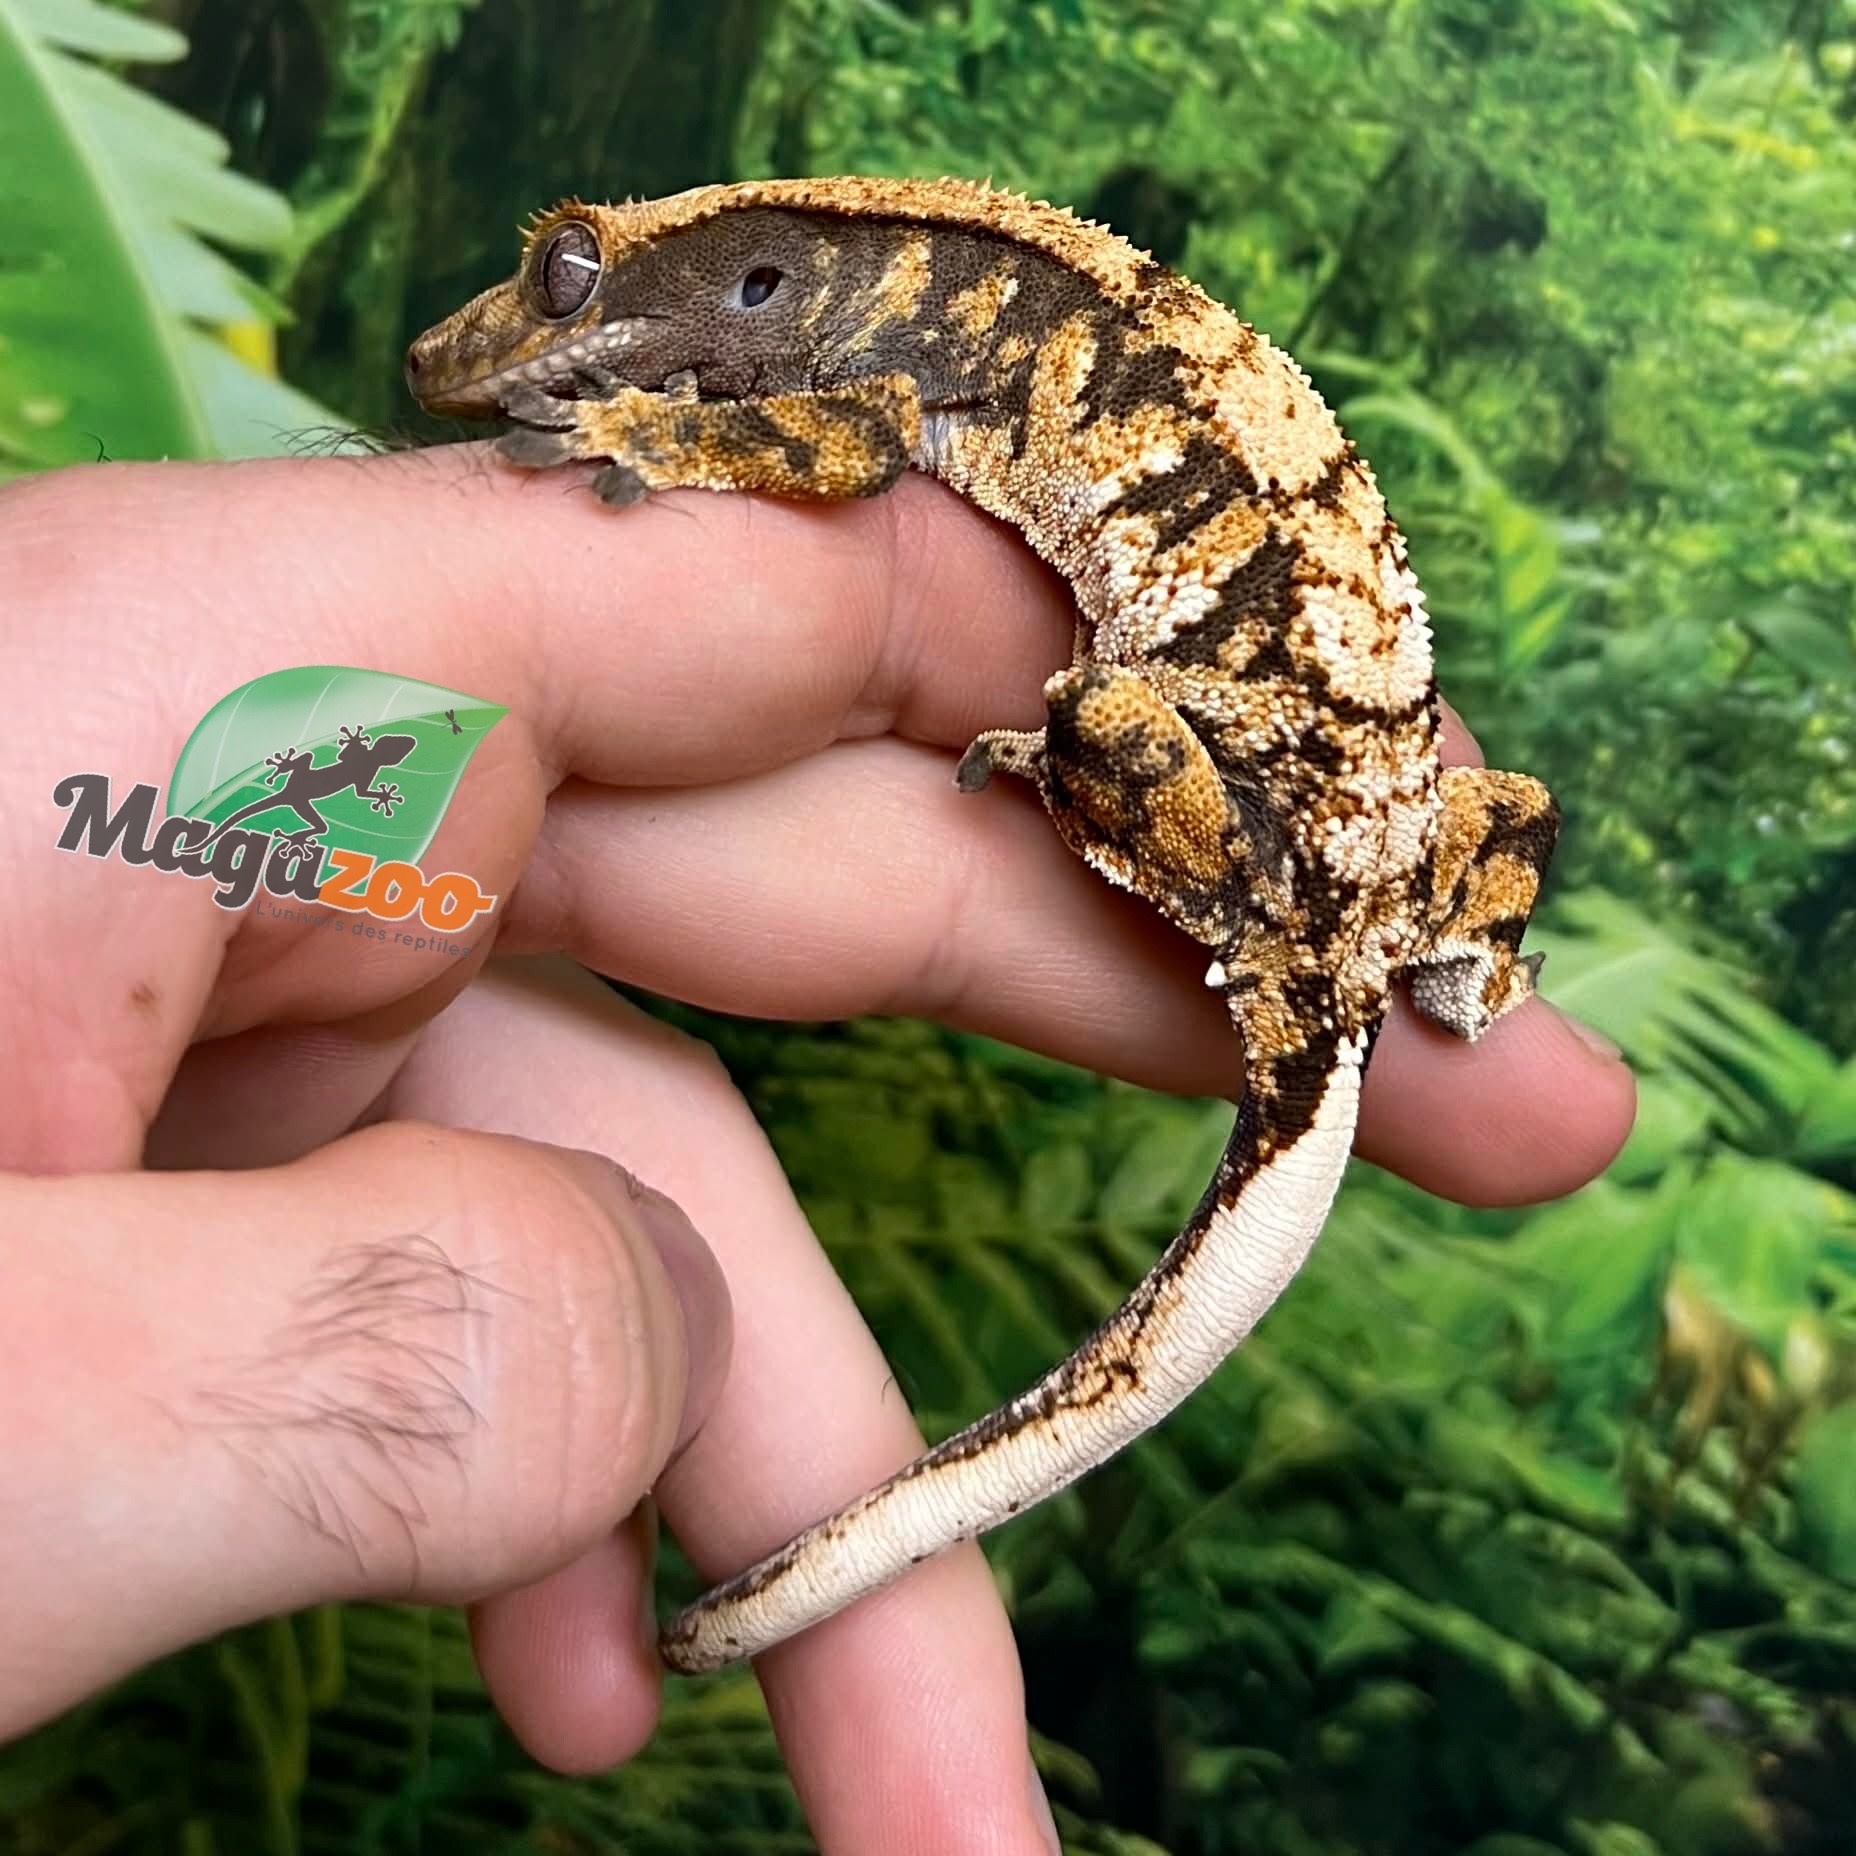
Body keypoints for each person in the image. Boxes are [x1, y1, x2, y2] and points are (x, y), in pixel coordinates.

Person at [0, 443, 1635, 1853]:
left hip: (1277, 850)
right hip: (1369, 842)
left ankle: (1285, 871)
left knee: (1105, 720)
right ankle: (1451, 950)